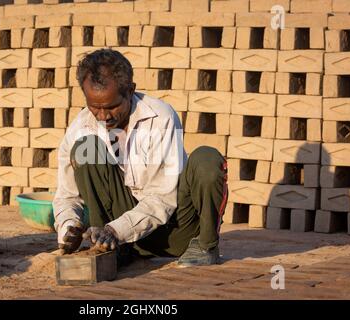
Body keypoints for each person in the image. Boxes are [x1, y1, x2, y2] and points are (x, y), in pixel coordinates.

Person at [53, 48, 228, 266]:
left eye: (112, 106)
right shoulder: (81, 127)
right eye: (94, 107)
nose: (103, 116)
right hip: (118, 236)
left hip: (174, 232)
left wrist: (116, 230)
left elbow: (163, 198)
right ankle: (107, 250)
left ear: (130, 91)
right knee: (86, 147)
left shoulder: (160, 117)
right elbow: (67, 196)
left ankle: (205, 246)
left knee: (207, 160)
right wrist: (68, 227)